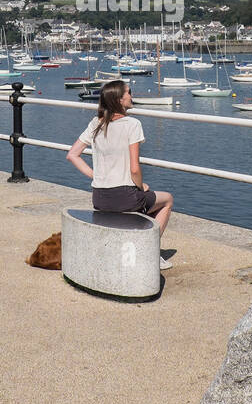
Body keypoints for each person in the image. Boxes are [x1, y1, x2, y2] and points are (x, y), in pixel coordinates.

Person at [66, 80, 175, 270]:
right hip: (125, 197)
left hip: (100, 198)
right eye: (129, 93)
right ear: (119, 99)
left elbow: (72, 155)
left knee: (144, 199)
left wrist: (97, 176)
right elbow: (134, 169)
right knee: (167, 200)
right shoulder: (132, 124)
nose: (131, 96)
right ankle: (150, 253)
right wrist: (141, 187)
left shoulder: (96, 123)